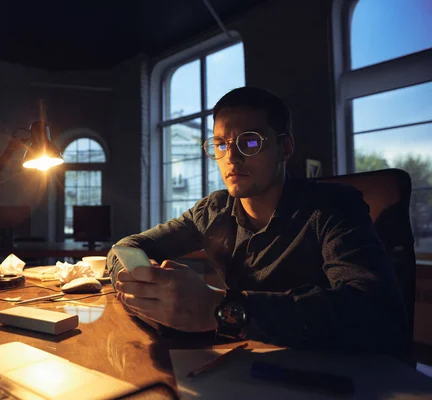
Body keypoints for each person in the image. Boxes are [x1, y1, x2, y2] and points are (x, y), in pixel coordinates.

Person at [108, 87, 407, 355]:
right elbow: (127, 246)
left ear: (285, 148)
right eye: (221, 144)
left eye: (249, 143)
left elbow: (375, 308)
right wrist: (138, 287)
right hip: (239, 364)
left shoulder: (333, 207)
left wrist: (225, 309)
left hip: (326, 373)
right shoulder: (212, 211)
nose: (232, 158)